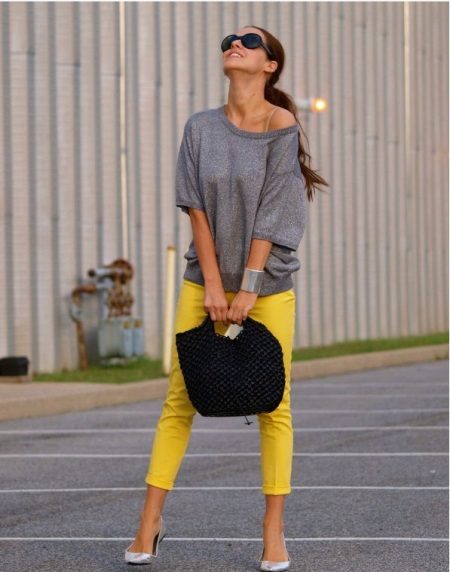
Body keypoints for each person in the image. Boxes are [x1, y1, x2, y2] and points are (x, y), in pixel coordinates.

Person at [125, 24, 329, 571]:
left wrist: (249, 286)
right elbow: (194, 207)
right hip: (205, 281)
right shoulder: (200, 128)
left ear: (270, 65)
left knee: (275, 405)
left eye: (250, 41)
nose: (234, 43)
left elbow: (274, 212)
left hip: (269, 286)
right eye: (230, 40)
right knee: (179, 399)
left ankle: (273, 530)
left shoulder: (282, 125)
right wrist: (215, 284)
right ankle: (148, 522)